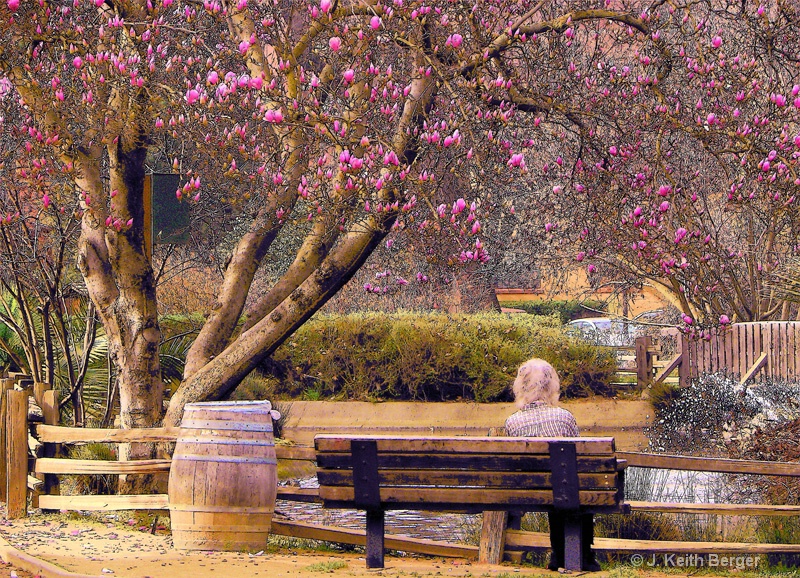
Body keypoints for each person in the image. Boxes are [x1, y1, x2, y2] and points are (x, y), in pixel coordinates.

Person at [504, 358, 600, 572]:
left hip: (528, 492)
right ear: (552, 386)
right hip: (566, 492)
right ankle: (580, 557)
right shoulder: (564, 418)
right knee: (570, 488)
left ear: (521, 387)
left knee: (558, 488)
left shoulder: (512, 423)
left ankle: (556, 557)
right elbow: (578, 461)